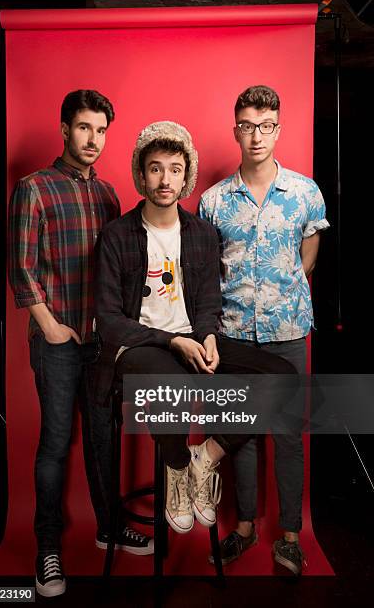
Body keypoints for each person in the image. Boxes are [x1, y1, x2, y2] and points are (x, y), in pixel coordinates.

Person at [94, 120, 296, 538]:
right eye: (154, 168)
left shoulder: (203, 235)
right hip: (138, 345)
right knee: (172, 382)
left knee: (284, 376)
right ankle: (177, 469)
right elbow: (111, 321)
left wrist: (205, 337)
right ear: (141, 174)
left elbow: (208, 302)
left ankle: (205, 456)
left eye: (174, 168)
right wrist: (174, 341)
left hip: (193, 336)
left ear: (186, 175)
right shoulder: (116, 235)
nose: (164, 178)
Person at [8, 89, 153, 598]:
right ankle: (46, 547)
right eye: (84, 128)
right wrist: (48, 325)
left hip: (102, 344)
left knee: (102, 438)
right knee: (54, 443)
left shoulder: (109, 195)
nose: (93, 139)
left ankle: (108, 525)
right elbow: (21, 269)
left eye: (101, 130)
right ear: (65, 129)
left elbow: (120, 271)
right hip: (57, 340)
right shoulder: (34, 189)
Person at [199, 85, 329, 575]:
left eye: (266, 125)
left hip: (288, 329)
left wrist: (288, 285)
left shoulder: (304, 192)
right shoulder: (213, 202)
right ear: (236, 129)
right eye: (248, 125)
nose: (257, 135)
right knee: (241, 431)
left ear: (279, 128)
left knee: (289, 433)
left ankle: (291, 537)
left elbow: (311, 246)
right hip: (233, 330)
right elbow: (207, 268)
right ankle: (246, 528)